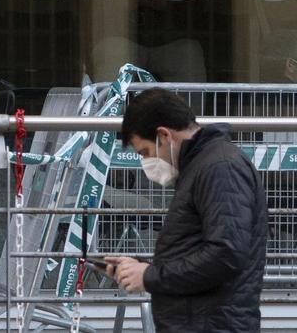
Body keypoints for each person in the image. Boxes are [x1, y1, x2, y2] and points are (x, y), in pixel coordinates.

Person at [104, 88, 267, 333]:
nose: (146, 163)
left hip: (212, 324)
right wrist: (142, 269)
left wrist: (149, 276)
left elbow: (226, 254)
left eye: (145, 152)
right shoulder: (205, 166)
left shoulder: (219, 168)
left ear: (164, 135)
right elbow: (205, 249)